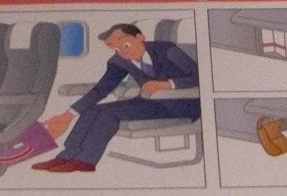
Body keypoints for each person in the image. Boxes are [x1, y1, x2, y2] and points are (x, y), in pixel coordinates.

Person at [33, 23, 199, 174]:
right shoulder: (121, 60)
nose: (122, 52)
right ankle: (66, 156)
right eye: (115, 49)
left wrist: (167, 84)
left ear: (139, 37)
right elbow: (101, 89)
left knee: (108, 114)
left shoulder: (167, 50)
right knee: (92, 110)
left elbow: (200, 76)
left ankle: (85, 161)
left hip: (181, 104)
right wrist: (68, 115)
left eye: (125, 45)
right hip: (150, 102)